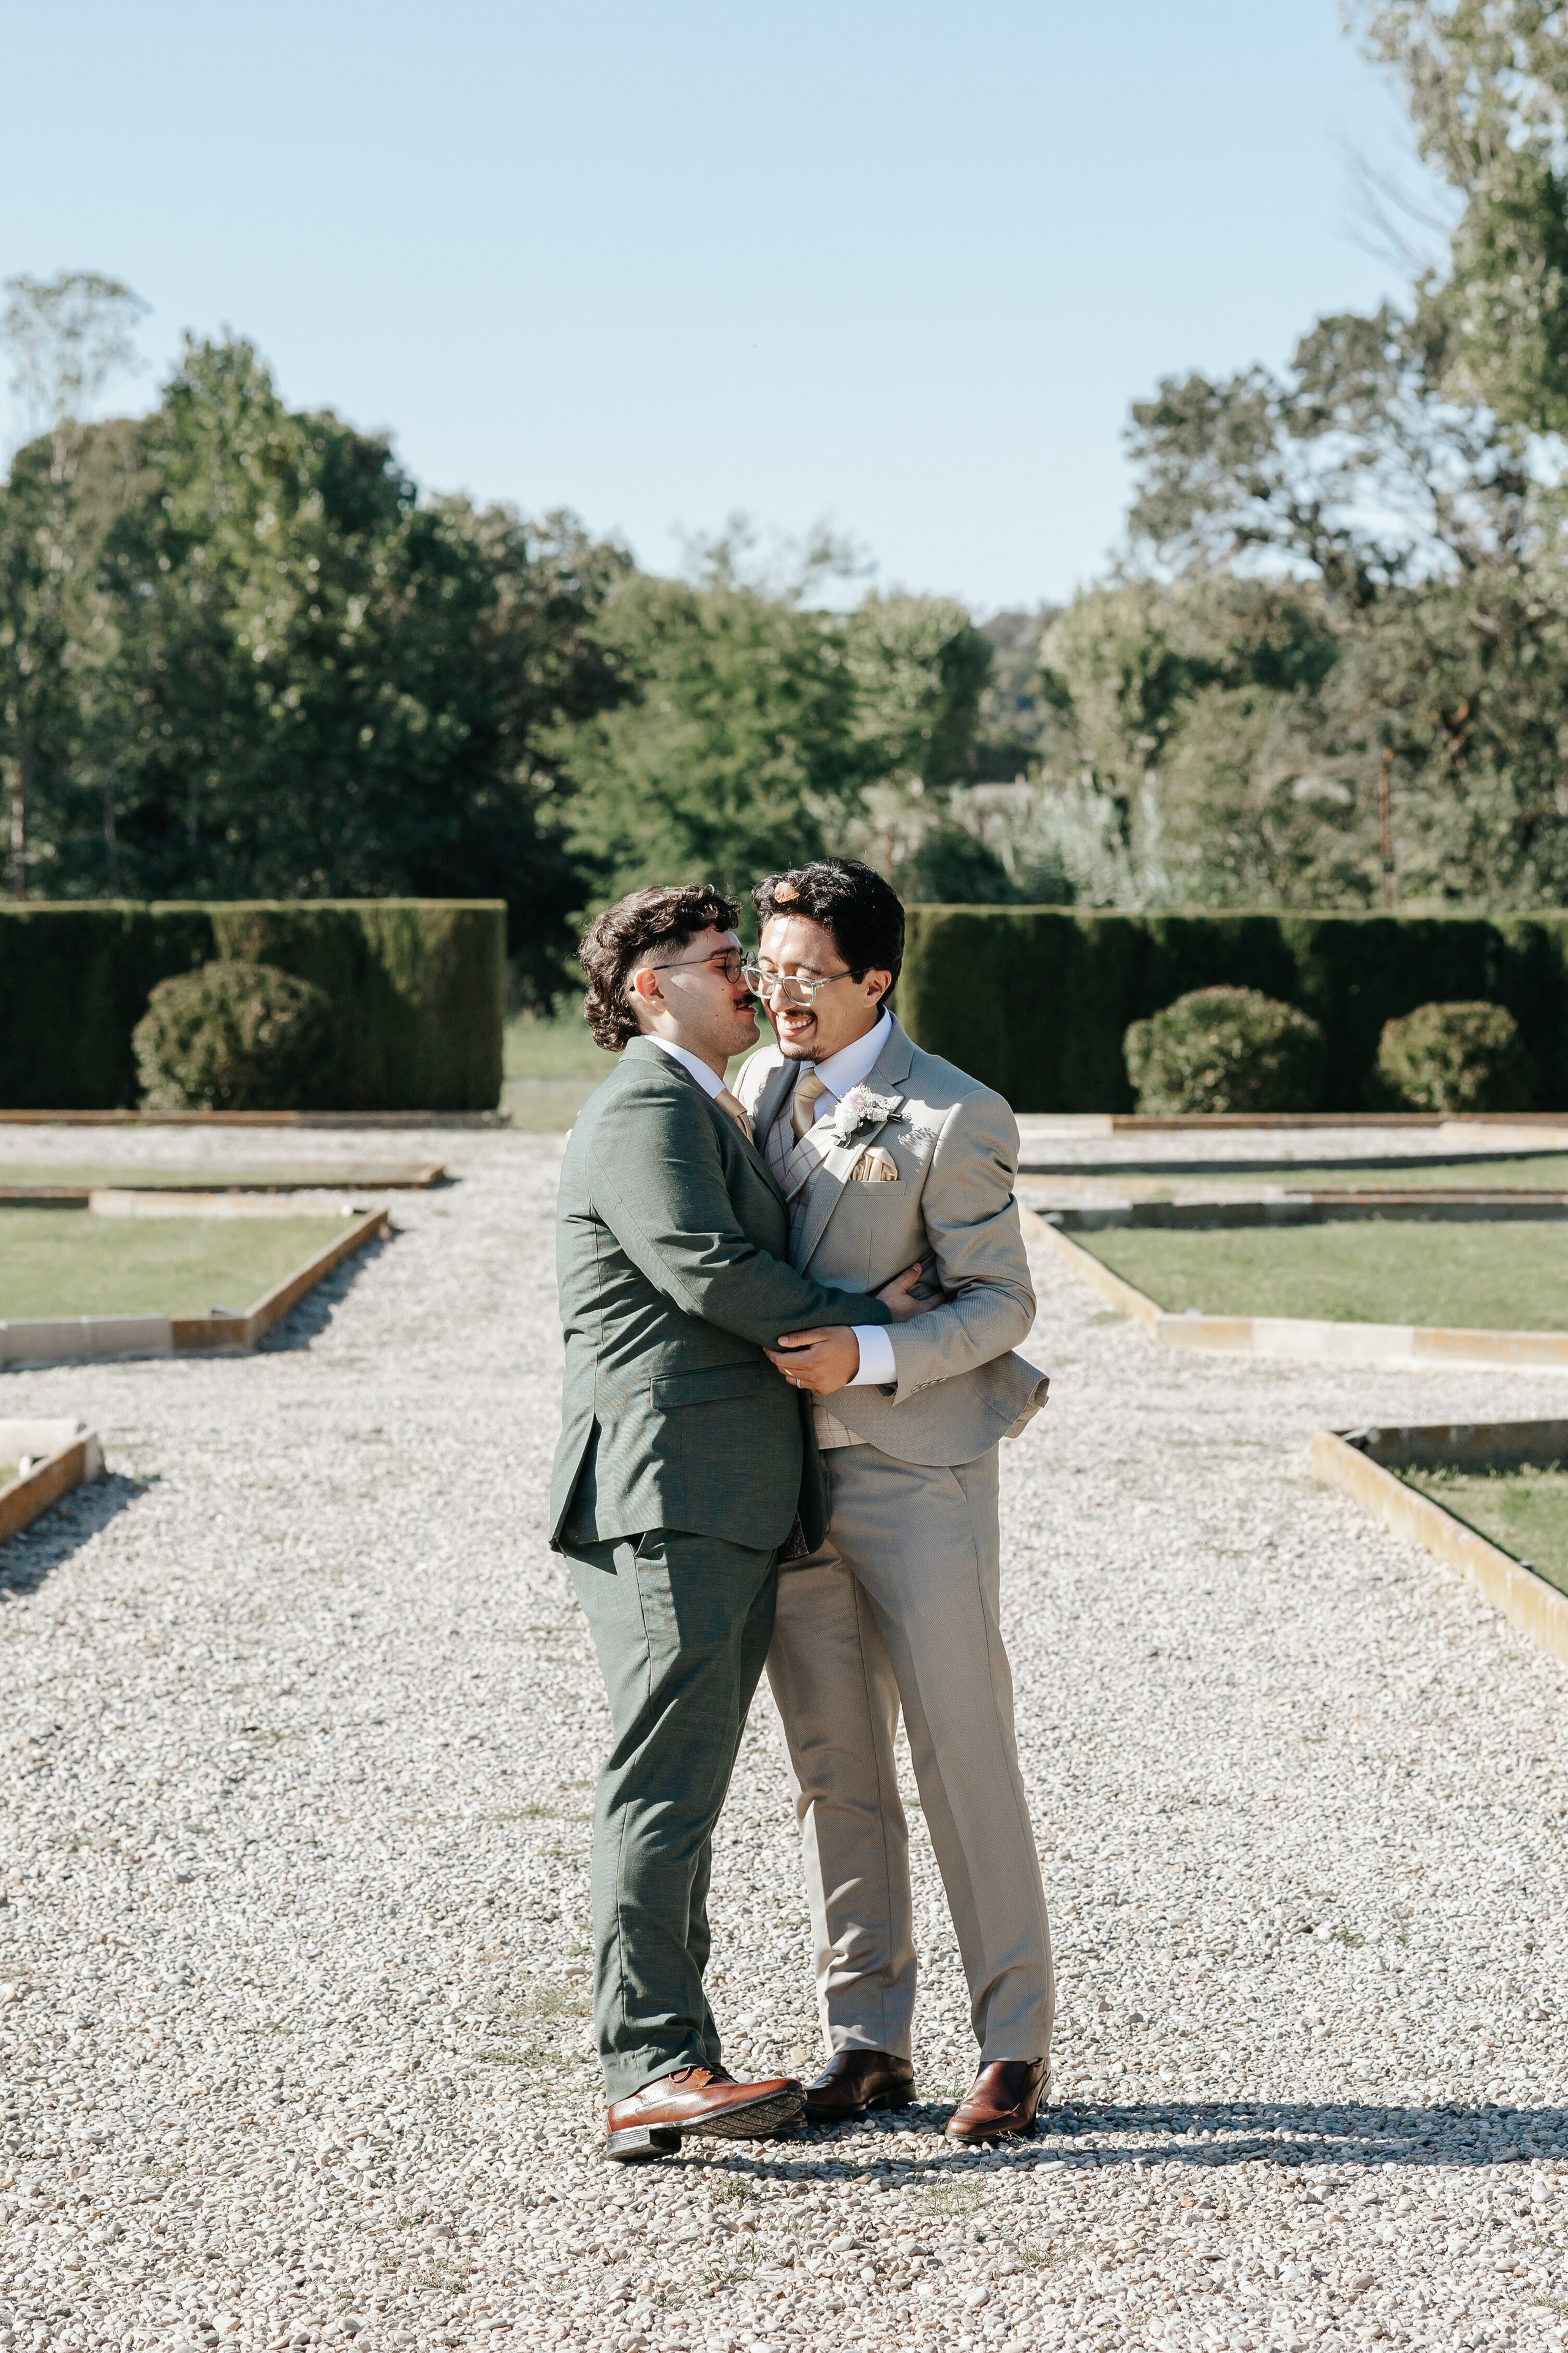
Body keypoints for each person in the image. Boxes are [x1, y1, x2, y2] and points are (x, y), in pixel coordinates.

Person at [551, 881, 925, 2162]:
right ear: (649, 987)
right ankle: (650, 2063)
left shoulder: (702, 1100)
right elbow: (706, 1264)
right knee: (662, 1779)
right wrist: (866, 1305)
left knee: (685, 1782)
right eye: (724, 963)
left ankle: (668, 2057)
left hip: (713, 1498)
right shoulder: (647, 1107)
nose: (753, 983)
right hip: (668, 1493)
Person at [733, 857, 1055, 2145]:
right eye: (767, 970)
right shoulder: (754, 1088)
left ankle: (1013, 2046)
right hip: (784, 1478)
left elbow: (1001, 1303)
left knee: (959, 1751)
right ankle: (864, 2036)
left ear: (874, 979)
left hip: (916, 1475)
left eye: (804, 973)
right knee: (832, 1764)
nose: (778, 995)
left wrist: (866, 1354)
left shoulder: (955, 1113)